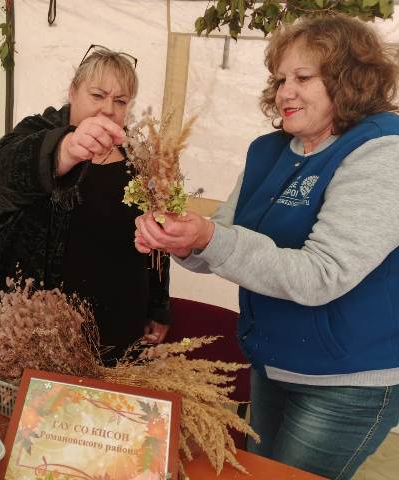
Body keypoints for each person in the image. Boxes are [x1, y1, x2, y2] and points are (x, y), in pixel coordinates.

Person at [134, 14, 399, 480]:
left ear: (348, 80)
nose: (284, 92)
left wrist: (210, 238)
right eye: (279, 80)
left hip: (346, 380)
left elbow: (321, 275)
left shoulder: (381, 151)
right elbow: (221, 238)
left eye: (302, 77)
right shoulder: (268, 151)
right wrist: (183, 240)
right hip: (273, 364)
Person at [0, 45, 171, 362]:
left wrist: (158, 306)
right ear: (73, 91)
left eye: (120, 101)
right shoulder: (39, 132)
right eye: (97, 95)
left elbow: (157, 239)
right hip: (39, 323)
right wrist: (66, 149)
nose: (108, 109)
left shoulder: (138, 157)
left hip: (119, 321)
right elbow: (1, 172)